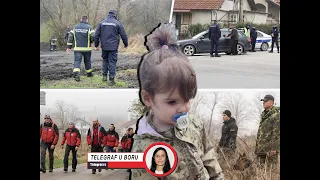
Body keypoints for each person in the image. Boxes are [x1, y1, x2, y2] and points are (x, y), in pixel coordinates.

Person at [130, 23, 224, 180]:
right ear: (148, 98)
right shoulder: (145, 150)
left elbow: (208, 155)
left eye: (187, 99)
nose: (184, 108)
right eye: (172, 102)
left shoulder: (194, 123)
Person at [94, 10, 128, 85]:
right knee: (112, 62)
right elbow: (123, 35)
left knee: (105, 60)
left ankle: (104, 76)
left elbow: (96, 35)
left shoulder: (102, 22)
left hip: (104, 46)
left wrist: (96, 45)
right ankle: (111, 79)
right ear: (115, 15)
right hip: (113, 46)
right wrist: (126, 44)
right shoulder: (117, 23)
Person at [67, 15, 95, 81]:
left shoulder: (75, 27)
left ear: (81, 19)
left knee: (77, 61)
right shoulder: (89, 28)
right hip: (87, 49)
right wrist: (92, 42)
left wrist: (69, 47)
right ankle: (89, 74)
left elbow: (70, 38)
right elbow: (93, 36)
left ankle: (76, 74)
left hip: (78, 49)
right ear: (87, 20)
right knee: (87, 61)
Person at [255, 95, 280, 166]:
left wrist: (274, 148)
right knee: (260, 171)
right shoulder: (264, 116)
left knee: (270, 173)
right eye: (263, 101)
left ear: (271, 102)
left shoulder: (276, 115)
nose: (263, 103)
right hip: (261, 150)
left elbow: (277, 134)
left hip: (270, 150)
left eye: (265, 101)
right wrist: (257, 149)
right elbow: (260, 133)